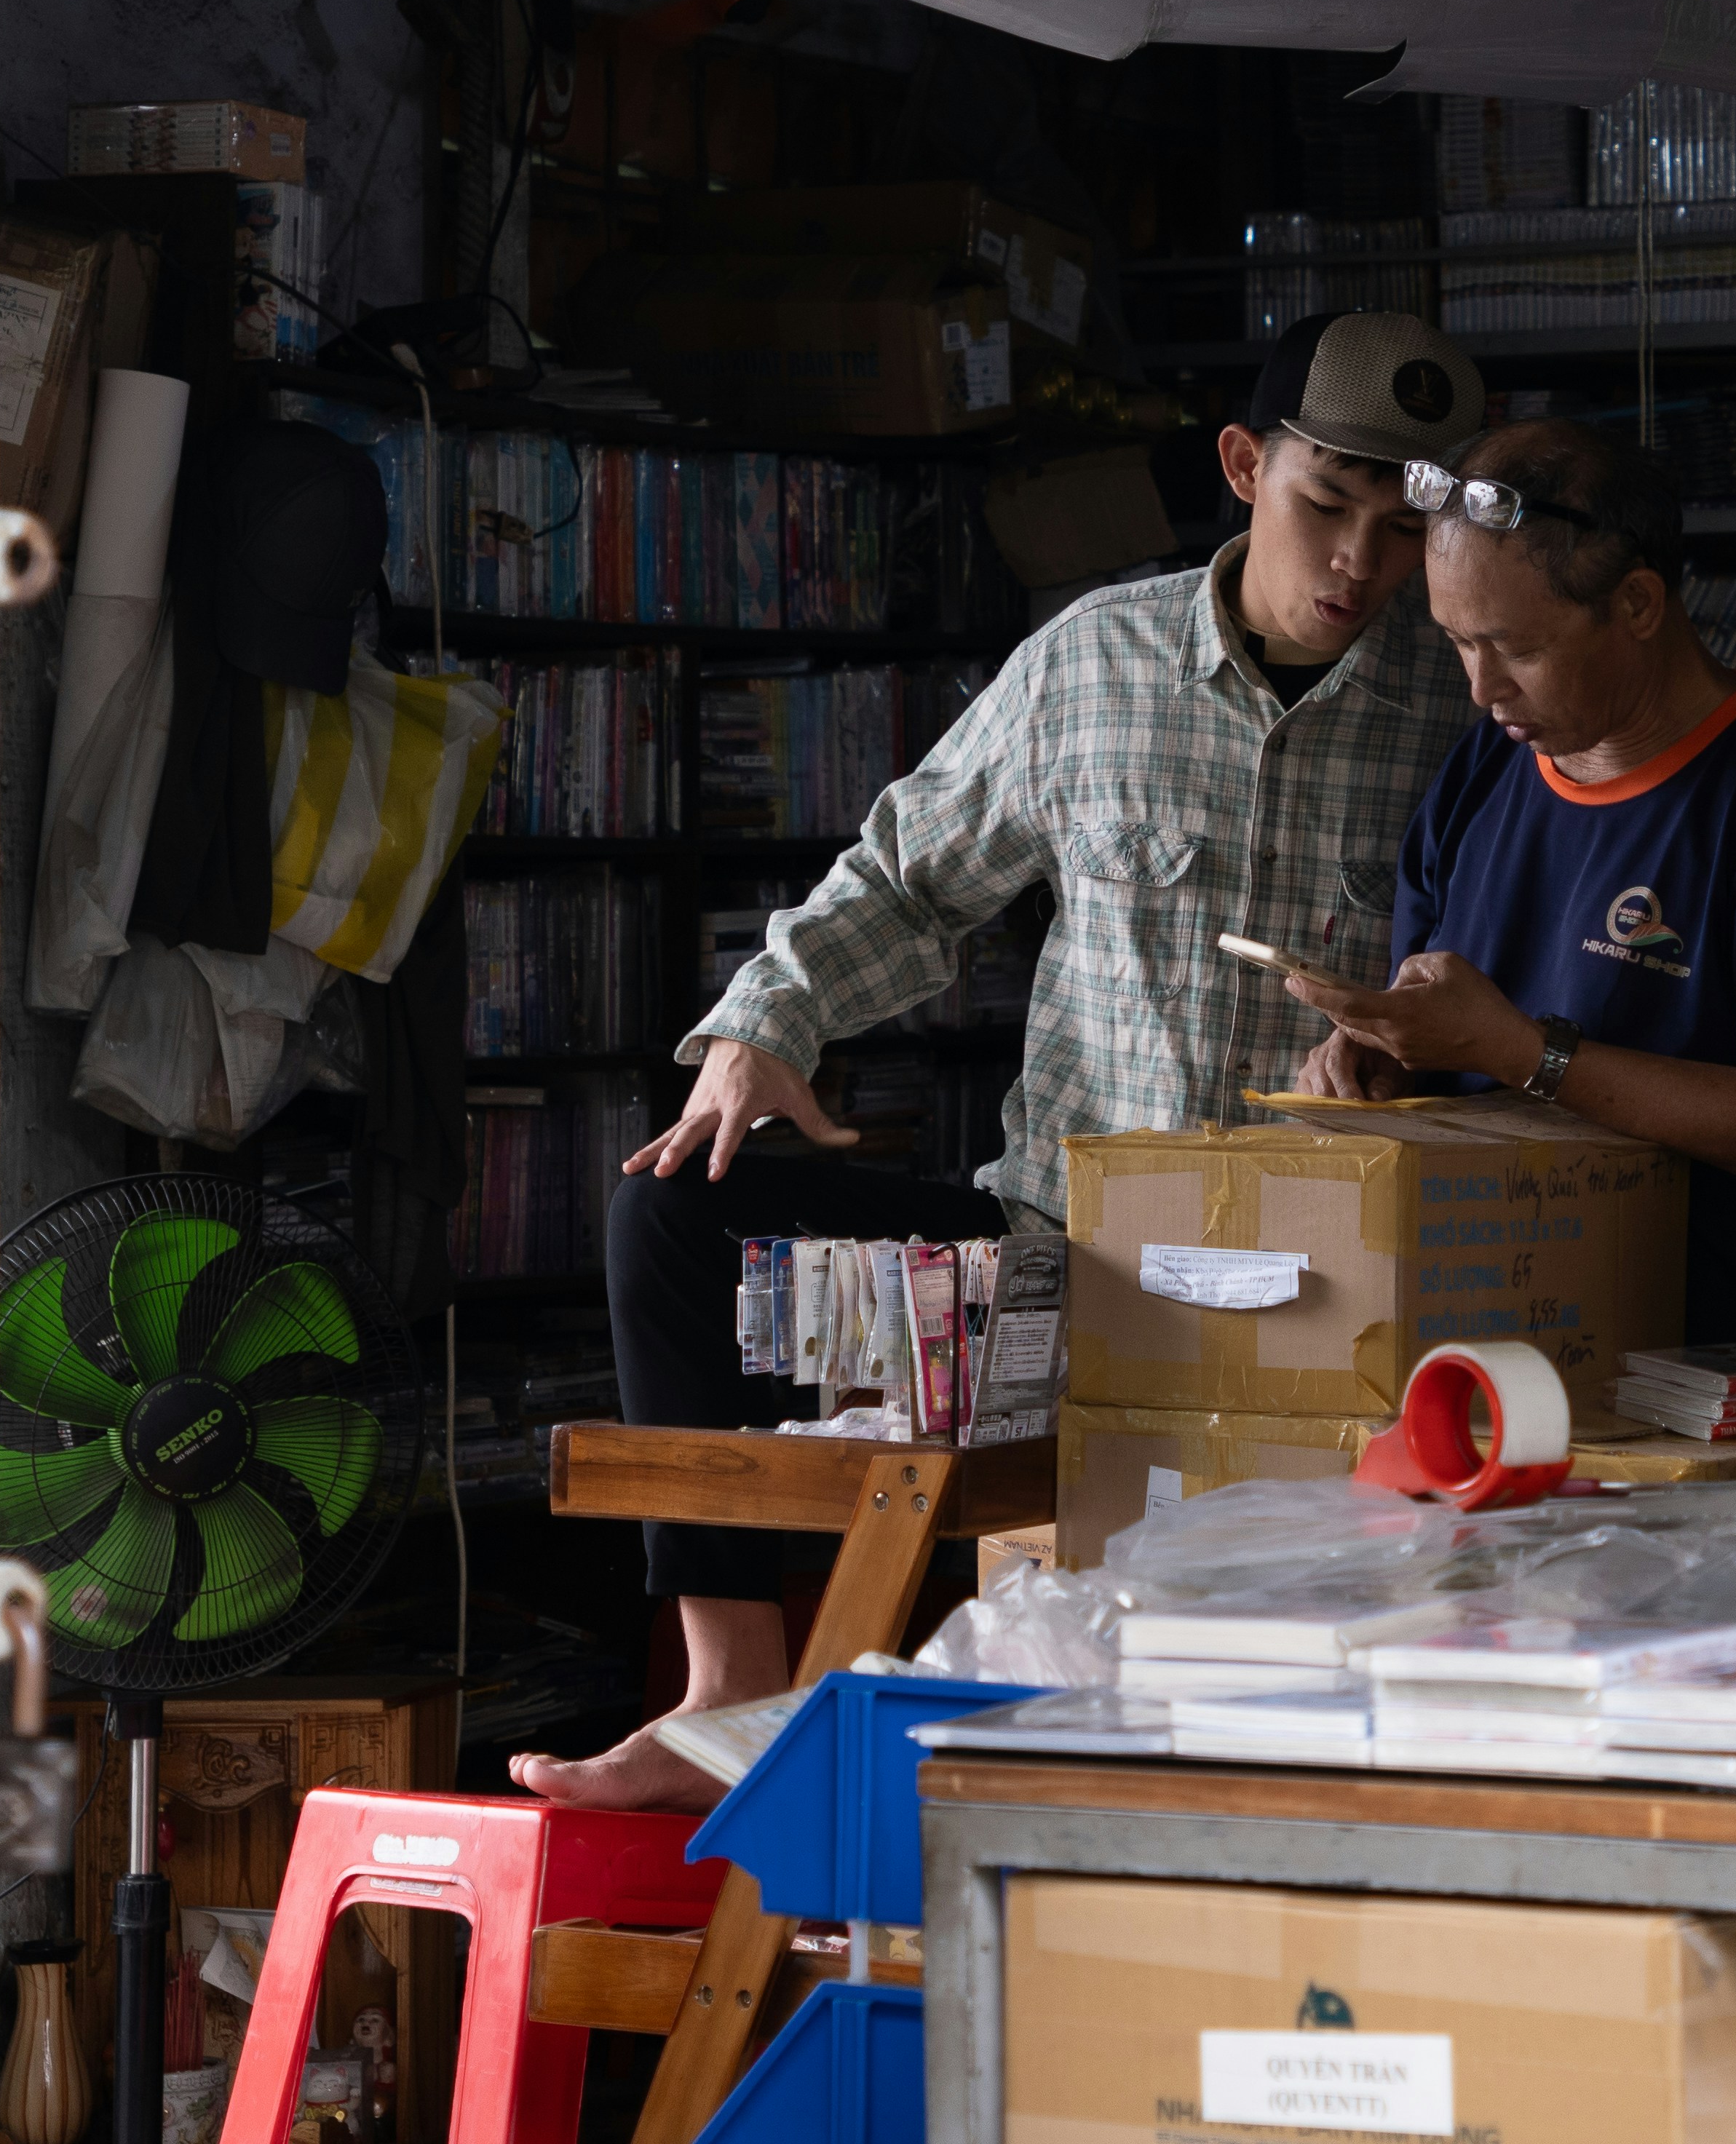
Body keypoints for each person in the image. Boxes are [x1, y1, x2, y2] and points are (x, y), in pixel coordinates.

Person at [512, 311, 1489, 1808]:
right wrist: (764, 1025)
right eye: (1326, 503)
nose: (1361, 559)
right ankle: (730, 1689)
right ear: (1244, 464)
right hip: (1061, 1256)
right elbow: (910, 875)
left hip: (1324, 1291)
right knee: (673, 1204)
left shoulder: (1465, 701)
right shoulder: (1094, 662)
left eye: (1400, 522)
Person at [1288, 419, 1736, 1341]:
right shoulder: (1479, 773)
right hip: (1468, 1327)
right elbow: (1436, 1020)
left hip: (1685, 1357)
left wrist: (1525, 1053)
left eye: (1516, 649)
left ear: (1639, 604)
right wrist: (1376, 1058)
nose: (1483, 690)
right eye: (1457, 643)